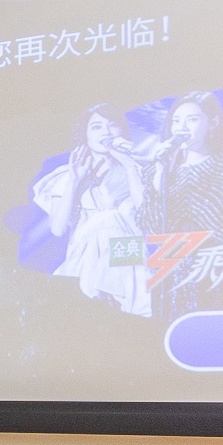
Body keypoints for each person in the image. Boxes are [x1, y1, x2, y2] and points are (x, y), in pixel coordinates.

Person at [145, 90, 223, 315]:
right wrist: (160, 173)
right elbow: (150, 226)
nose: (181, 128)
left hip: (217, 269)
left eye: (192, 120)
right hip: (170, 275)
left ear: (213, 122)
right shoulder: (158, 169)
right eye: (176, 121)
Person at [33, 106, 152, 316]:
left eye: (112, 125)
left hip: (128, 256)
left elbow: (148, 217)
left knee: (111, 219)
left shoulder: (138, 172)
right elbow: (58, 229)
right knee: (107, 220)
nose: (105, 132)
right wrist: (74, 180)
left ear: (122, 132)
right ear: (85, 135)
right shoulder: (67, 176)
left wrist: (129, 166)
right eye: (97, 127)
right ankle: (102, 301)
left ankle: (108, 300)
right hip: (85, 258)